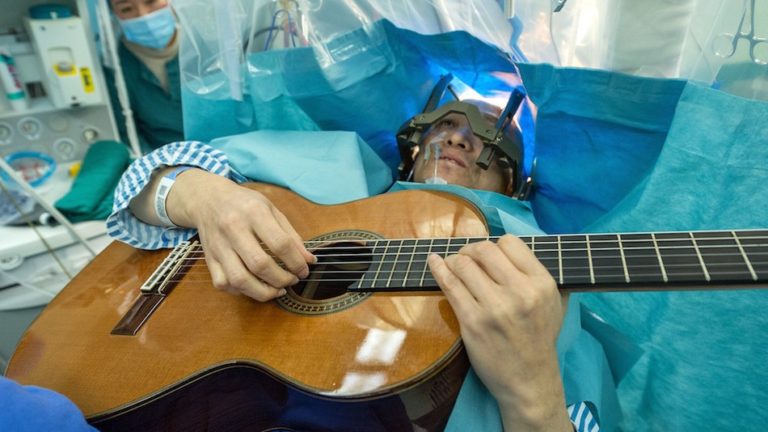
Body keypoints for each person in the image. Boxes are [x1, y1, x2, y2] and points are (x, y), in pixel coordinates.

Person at [107, 96, 610, 431]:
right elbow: (145, 181)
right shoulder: (335, 172)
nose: (459, 138)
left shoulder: (546, 282)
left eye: (491, 138)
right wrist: (205, 197)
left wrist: (533, 396)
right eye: (448, 124)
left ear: (516, 186)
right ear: (409, 153)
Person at [104, 0, 184, 152]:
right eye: (127, 9)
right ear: (113, 15)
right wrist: (159, 168)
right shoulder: (116, 71)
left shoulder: (204, 48)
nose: (144, 16)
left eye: (151, 1)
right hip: (165, 164)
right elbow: (127, 138)